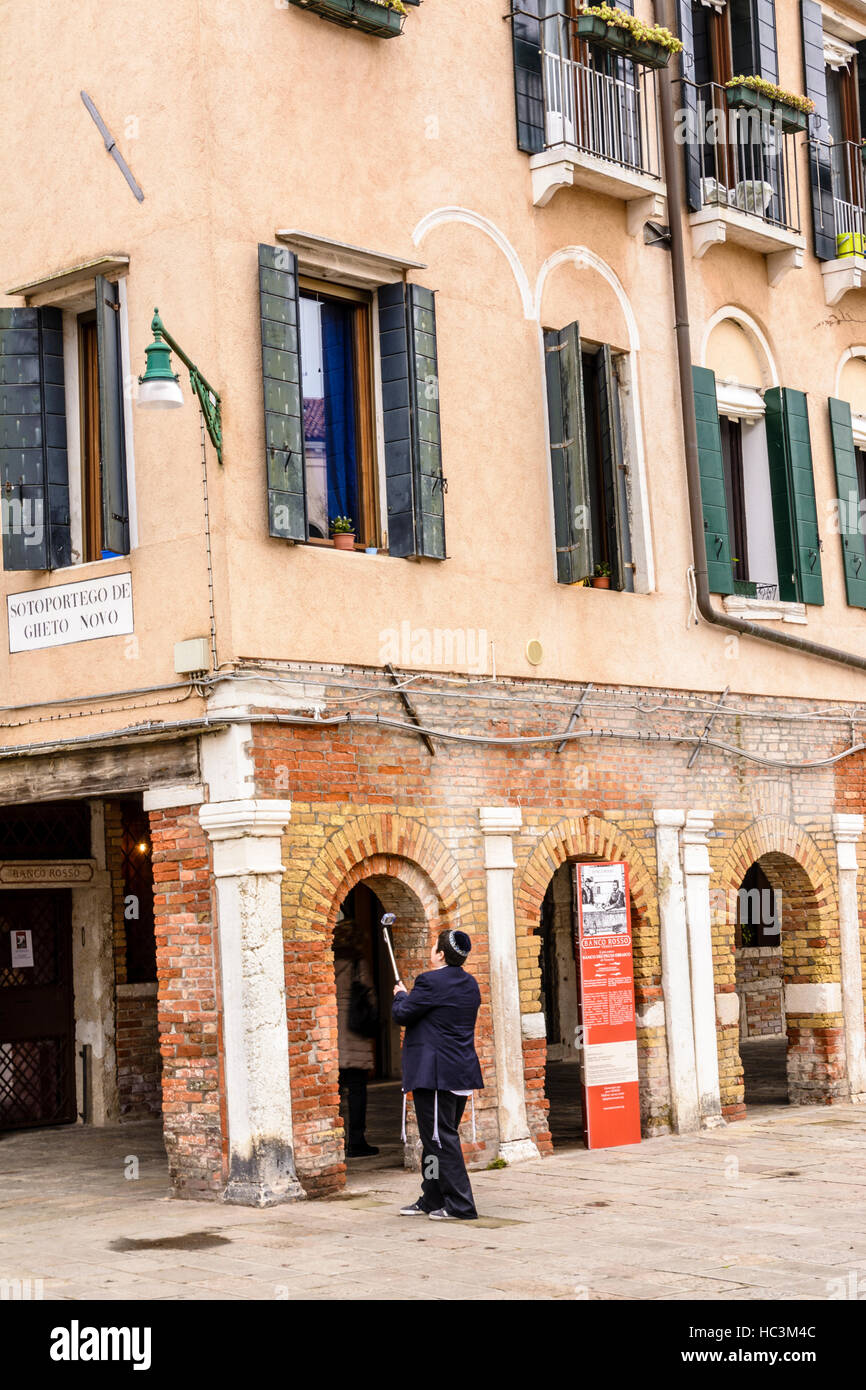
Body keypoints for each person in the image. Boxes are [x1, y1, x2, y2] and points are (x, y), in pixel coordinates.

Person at [391, 928, 483, 1220]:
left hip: (436, 1074)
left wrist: (400, 995)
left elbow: (402, 1015)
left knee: (440, 1138)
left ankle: (461, 1205)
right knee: (434, 1140)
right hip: (459, 1071)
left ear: (441, 954)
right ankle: (432, 1196)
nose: (431, 950)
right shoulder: (470, 983)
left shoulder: (430, 982)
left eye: (434, 947)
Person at [334, 922, 380, 1158]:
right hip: (354, 1035)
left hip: (332, 1034)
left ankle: (332, 1140)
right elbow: (369, 994)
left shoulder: (328, 960)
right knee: (357, 1090)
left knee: (335, 1091)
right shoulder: (356, 962)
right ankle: (357, 1140)